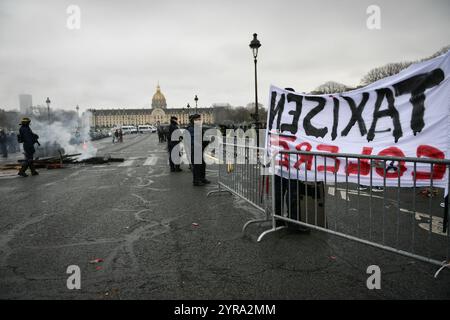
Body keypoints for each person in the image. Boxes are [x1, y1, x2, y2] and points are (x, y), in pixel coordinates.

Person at [187, 114, 210, 186]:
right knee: (197, 166)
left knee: (202, 165)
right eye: (198, 119)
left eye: (200, 119)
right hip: (195, 148)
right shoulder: (191, 128)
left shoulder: (197, 127)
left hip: (199, 148)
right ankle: (196, 181)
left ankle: (202, 178)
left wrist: (206, 141)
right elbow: (193, 139)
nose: (200, 120)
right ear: (194, 120)